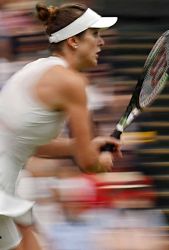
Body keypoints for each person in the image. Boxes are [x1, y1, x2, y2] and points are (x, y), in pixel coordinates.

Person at [0, 2, 121, 250]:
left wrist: (81, 145)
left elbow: (33, 145)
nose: (102, 42)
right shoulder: (71, 82)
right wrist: (100, 161)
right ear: (74, 41)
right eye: (95, 34)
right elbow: (88, 164)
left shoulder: (36, 69)